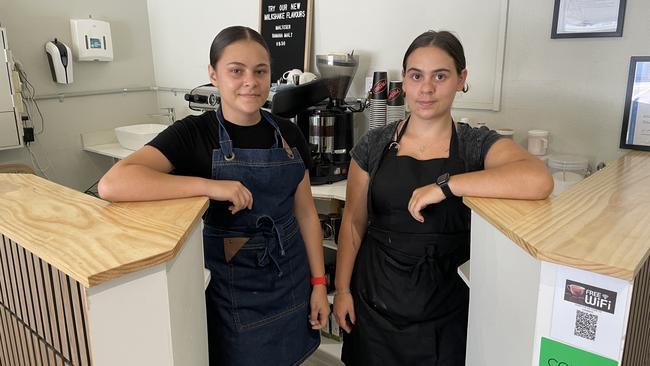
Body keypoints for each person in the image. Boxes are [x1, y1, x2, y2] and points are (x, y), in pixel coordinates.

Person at [98, 26, 329, 365]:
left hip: (290, 279)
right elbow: (114, 183)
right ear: (213, 74)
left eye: (260, 71)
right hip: (235, 291)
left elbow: (307, 215)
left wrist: (320, 284)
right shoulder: (194, 133)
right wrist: (210, 186)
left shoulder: (289, 133)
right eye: (236, 70)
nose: (250, 81)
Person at [332, 30, 553, 365]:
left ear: (461, 79)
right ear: (403, 82)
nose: (426, 89)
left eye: (441, 76)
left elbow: (538, 180)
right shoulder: (374, 145)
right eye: (416, 76)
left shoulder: (475, 144)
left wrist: (446, 186)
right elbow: (352, 222)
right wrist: (343, 290)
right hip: (374, 302)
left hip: (446, 309)